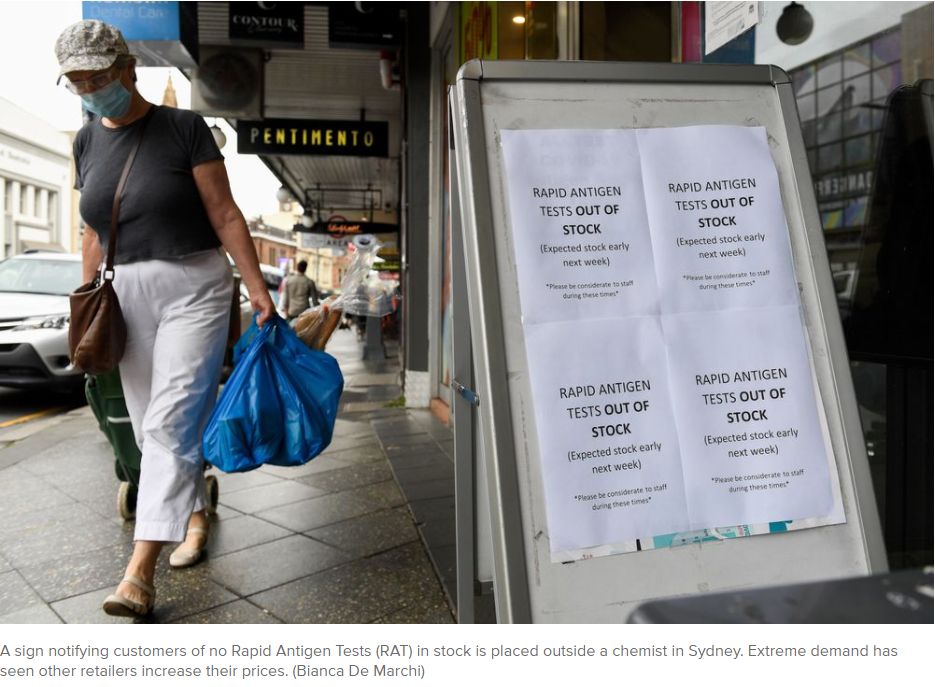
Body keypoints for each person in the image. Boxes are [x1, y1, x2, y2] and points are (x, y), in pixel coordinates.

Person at [55, 19, 276, 618]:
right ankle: (194, 514)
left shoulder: (184, 128)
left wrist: (258, 290)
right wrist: (85, 303)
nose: (90, 89)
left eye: (97, 77)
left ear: (128, 69)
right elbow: (93, 231)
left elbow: (225, 214)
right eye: (77, 82)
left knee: (170, 422)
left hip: (194, 286)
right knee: (152, 423)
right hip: (122, 293)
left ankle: (138, 572)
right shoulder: (86, 142)